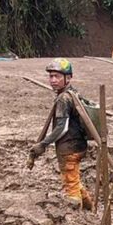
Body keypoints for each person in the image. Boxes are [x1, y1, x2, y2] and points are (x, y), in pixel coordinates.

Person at [28, 58, 94, 210]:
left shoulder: (64, 98)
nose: (53, 80)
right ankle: (91, 209)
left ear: (68, 78)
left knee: (71, 188)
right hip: (79, 145)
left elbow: (61, 128)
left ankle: (75, 219)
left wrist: (43, 144)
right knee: (75, 181)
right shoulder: (73, 93)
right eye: (51, 76)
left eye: (57, 76)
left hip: (69, 149)